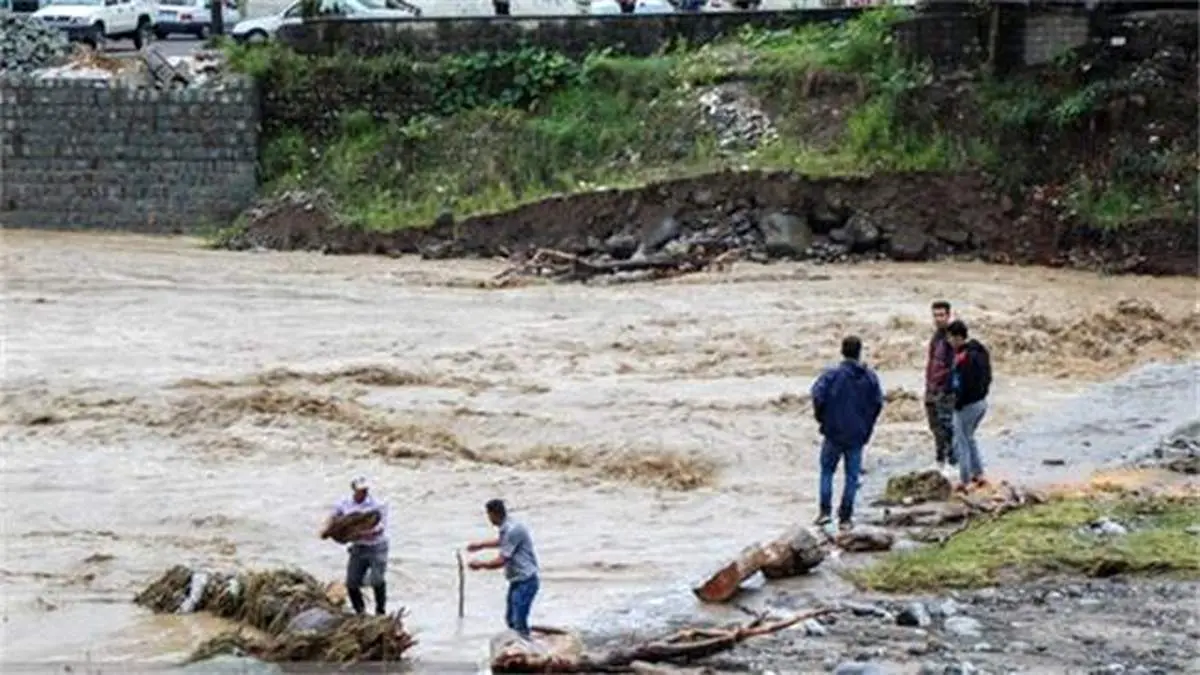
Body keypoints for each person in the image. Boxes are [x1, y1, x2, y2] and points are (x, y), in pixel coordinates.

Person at [810, 336, 884, 529]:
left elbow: (817, 396)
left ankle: (825, 512)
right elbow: (877, 404)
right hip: (857, 434)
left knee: (827, 472)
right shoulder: (869, 377)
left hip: (833, 432)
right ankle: (845, 518)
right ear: (860, 352)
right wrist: (867, 425)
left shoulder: (831, 375)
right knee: (852, 477)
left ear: (842, 351)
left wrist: (822, 418)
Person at [465, 499, 540, 640]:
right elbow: (503, 542)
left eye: (488, 515)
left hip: (526, 581)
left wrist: (480, 565)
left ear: (494, 514)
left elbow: (501, 561)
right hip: (517, 580)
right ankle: (520, 643)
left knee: (518, 620)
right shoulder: (508, 526)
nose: (488, 518)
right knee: (511, 619)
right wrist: (481, 545)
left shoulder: (512, 530)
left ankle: (525, 649)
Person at [321, 476, 390, 616]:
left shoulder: (377, 505)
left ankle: (380, 611)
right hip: (358, 548)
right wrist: (326, 529)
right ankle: (360, 612)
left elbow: (380, 527)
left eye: (365, 490)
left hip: (377, 547)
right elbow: (333, 516)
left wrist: (364, 533)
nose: (363, 492)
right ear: (354, 490)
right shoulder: (345, 504)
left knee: (377, 580)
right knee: (352, 583)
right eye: (360, 490)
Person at [946, 320, 992, 491]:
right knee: (970, 438)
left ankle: (965, 480)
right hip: (981, 403)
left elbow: (962, 384)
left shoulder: (963, 357)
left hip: (967, 405)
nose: (949, 342)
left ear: (958, 337)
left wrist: (957, 402)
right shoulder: (980, 352)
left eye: (950, 338)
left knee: (961, 442)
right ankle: (978, 474)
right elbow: (987, 378)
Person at [924, 300, 957, 473]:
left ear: (948, 315)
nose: (938, 319)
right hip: (932, 388)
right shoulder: (936, 336)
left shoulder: (952, 337)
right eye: (935, 315)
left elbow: (954, 366)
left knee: (947, 427)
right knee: (935, 427)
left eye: (941, 315)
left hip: (945, 390)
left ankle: (952, 462)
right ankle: (940, 461)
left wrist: (946, 387)